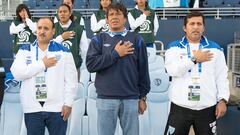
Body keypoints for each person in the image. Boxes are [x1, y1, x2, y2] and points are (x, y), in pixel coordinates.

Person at [86, 3, 150, 135]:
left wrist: (142, 97)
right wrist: (115, 54)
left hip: (131, 98)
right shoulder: (98, 39)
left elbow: (143, 70)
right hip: (106, 98)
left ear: (125, 18)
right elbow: (91, 65)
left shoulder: (136, 39)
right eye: (111, 14)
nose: (114, 17)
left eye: (118, 14)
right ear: (107, 19)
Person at [164, 11, 230, 135]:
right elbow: (172, 70)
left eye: (199, 24)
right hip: (180, 107)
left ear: (203, 28)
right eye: (192, 24)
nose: (195, 27)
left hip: (207, 107)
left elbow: (221, 77)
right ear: (185, 27)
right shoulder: (174, 47)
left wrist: (222, 100)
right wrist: (194, 59)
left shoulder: (215, 49)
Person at [10, 17, 78, 135]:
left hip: (57, 108)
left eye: (46, 28)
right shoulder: (24, 50)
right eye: (39, 28)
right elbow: (17, 74)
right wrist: (42, 64)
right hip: (32, 108)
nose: (42, 31)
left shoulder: (64, 52)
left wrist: (68, 104)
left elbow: (71, 81)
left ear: (53, 31)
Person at [54, 4, 88, 79]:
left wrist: (81, 66)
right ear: (58, 14)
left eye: (65, 11)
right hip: (56, 68)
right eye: (60, 12)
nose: (62, 13)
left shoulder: (79, 28)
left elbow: (84, 50)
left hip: (74, 67)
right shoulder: (52, 27)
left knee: (73, 90)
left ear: (70, 13)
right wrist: (61, 37)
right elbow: (47, 46)